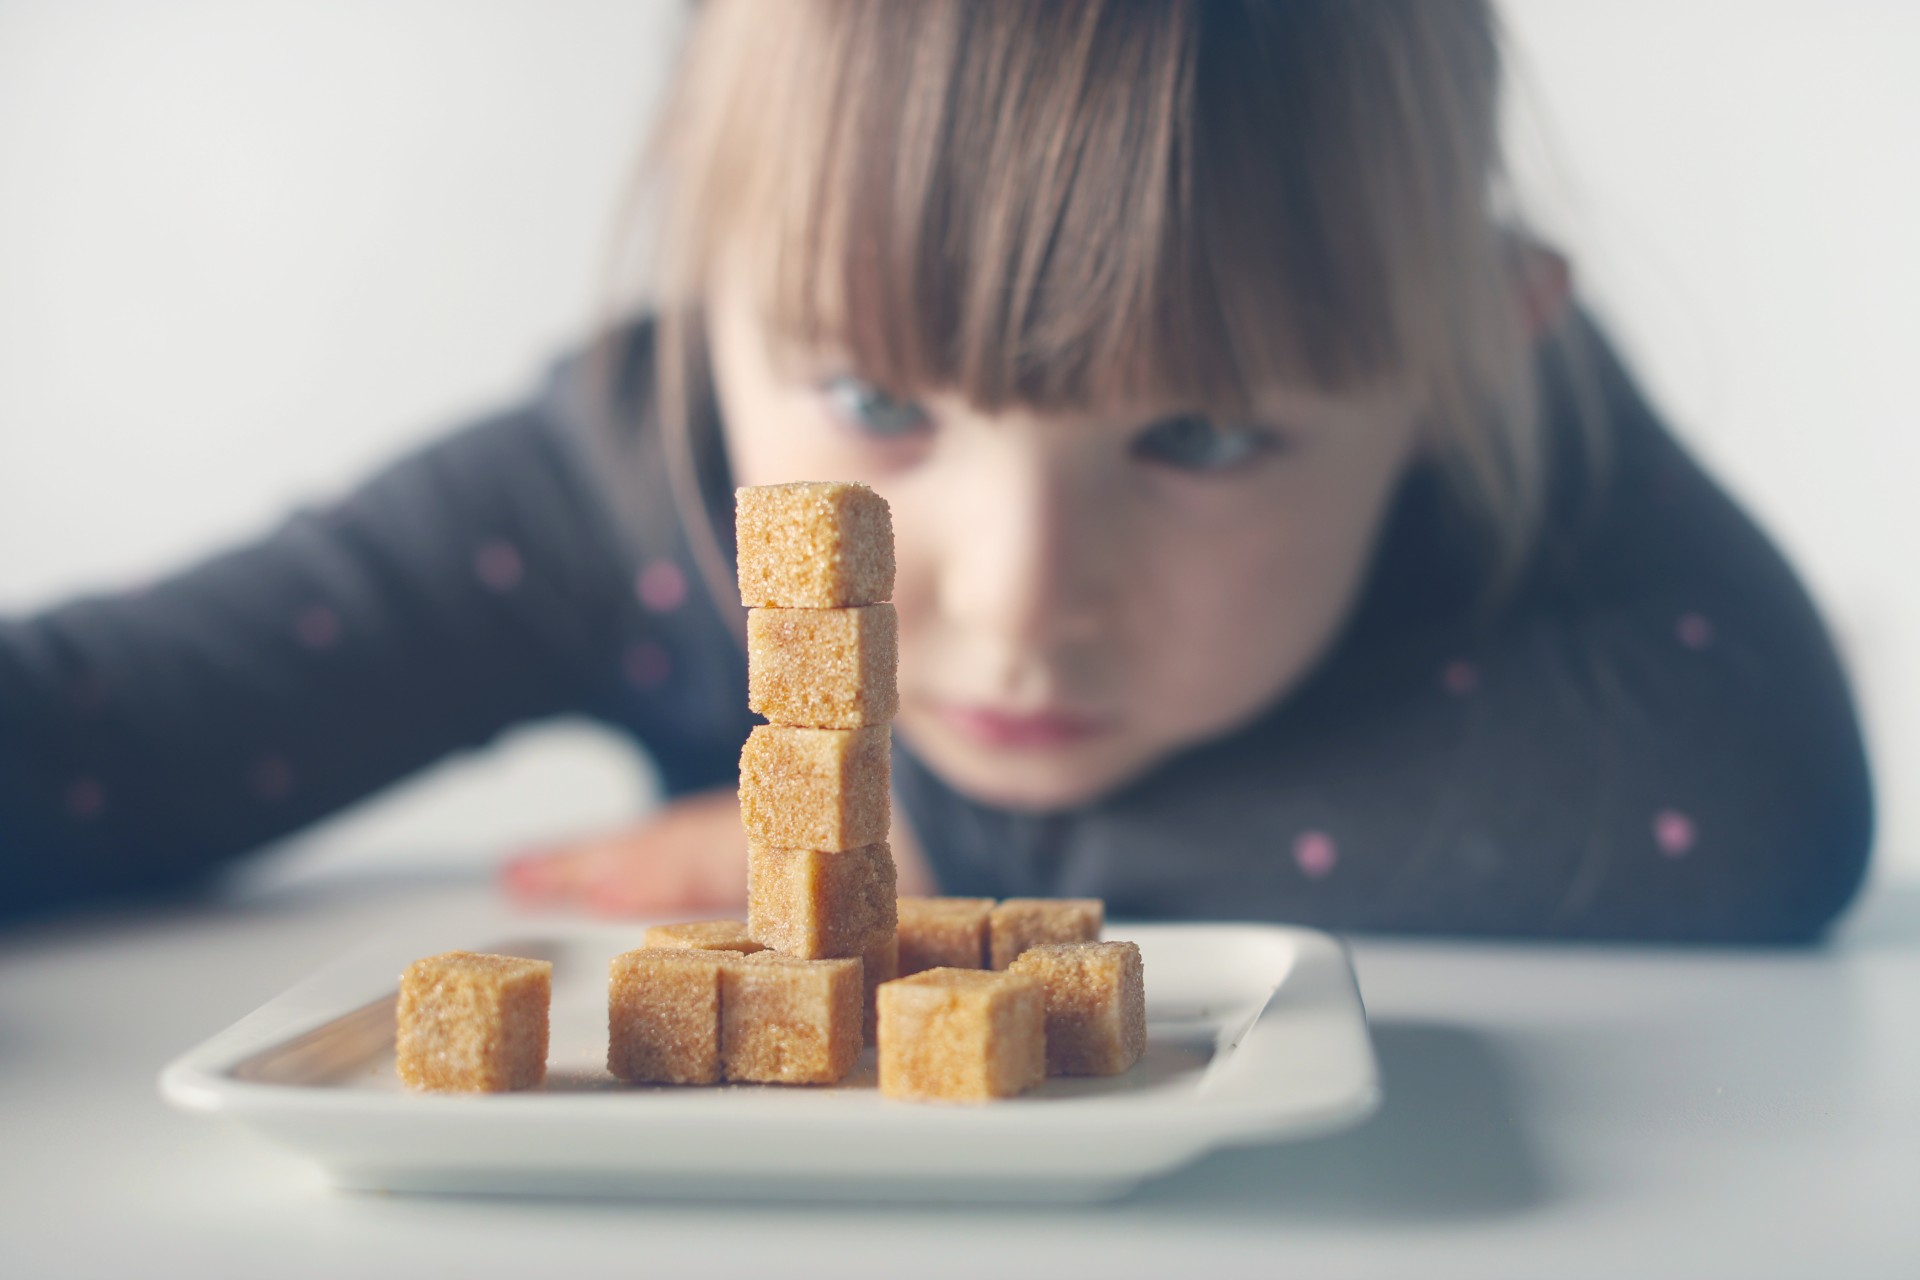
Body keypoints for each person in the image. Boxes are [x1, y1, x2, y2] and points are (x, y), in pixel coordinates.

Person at [0, 0, 1872, 940]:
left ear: (1474, 349)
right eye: (879, 408)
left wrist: (926, 852)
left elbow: (1761, 823)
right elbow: (98, 729)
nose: (1013, 594)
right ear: (710, 291)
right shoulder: (617, 473)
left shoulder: (1513, 431)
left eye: (1203, 435)